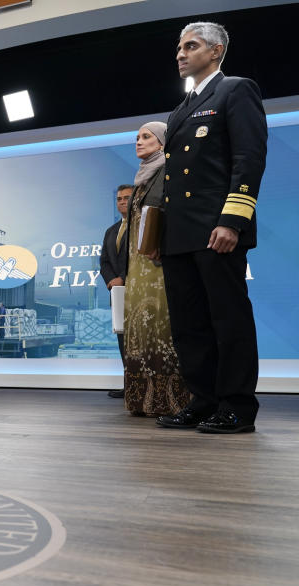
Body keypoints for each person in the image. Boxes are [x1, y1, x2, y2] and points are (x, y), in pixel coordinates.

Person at [156, 22, 266, 434]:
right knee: (189, 325)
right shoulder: (181, 108)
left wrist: (232, 220)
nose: (181, 54)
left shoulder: (235, 90)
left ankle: (236, 407)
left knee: (228, 320)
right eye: (179, 47)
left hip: (216, 229)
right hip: (179, 236)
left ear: (216, 51)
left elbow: (248, 159)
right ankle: (202, 402)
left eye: (191, 46)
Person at [122, 122, 189, 417]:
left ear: (162, 142)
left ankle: (171, 401)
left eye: (146, 137)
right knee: (141, 331)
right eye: (137, 137)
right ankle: (142, 399)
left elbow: (166, 214)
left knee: (162, 329)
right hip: (139, 268)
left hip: (158, 264)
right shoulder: (142, 179)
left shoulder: (166, 172)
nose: (139, 141)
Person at [99, 184, 133, 399]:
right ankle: (130, 385)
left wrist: (124, 276)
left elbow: (142, 257)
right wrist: (112, 279)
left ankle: (146, 384)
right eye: (119, 198)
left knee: (142, 341)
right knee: (123, 341)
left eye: (127, 198)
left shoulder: (143, 227)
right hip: (117, 293)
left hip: (139, 290)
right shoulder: (111, 231)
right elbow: (103, 261)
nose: (122, 201)